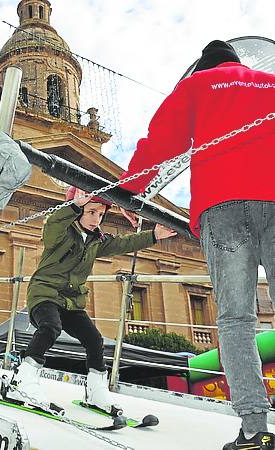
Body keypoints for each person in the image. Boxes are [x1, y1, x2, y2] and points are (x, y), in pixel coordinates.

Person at [118, 40, 275, 449]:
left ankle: (255, 430)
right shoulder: (272, 83)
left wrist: (126, 193)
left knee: (237, 320)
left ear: (202, 66)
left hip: (221, 207)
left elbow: (158, 145)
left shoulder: (195, 87)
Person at [5, 186, 176, 415]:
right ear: (78, 211)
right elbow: (54, 223)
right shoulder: (60, 232)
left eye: (101, 214)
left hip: (72, 302)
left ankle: (96, 391)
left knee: (94, 340)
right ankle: (21, 382)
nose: (96, 219)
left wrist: (154, 235)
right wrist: (74, 204)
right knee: (50, 327)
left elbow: (123, 244)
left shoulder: (97, 241)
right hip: (45, 294)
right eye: (91, 212)